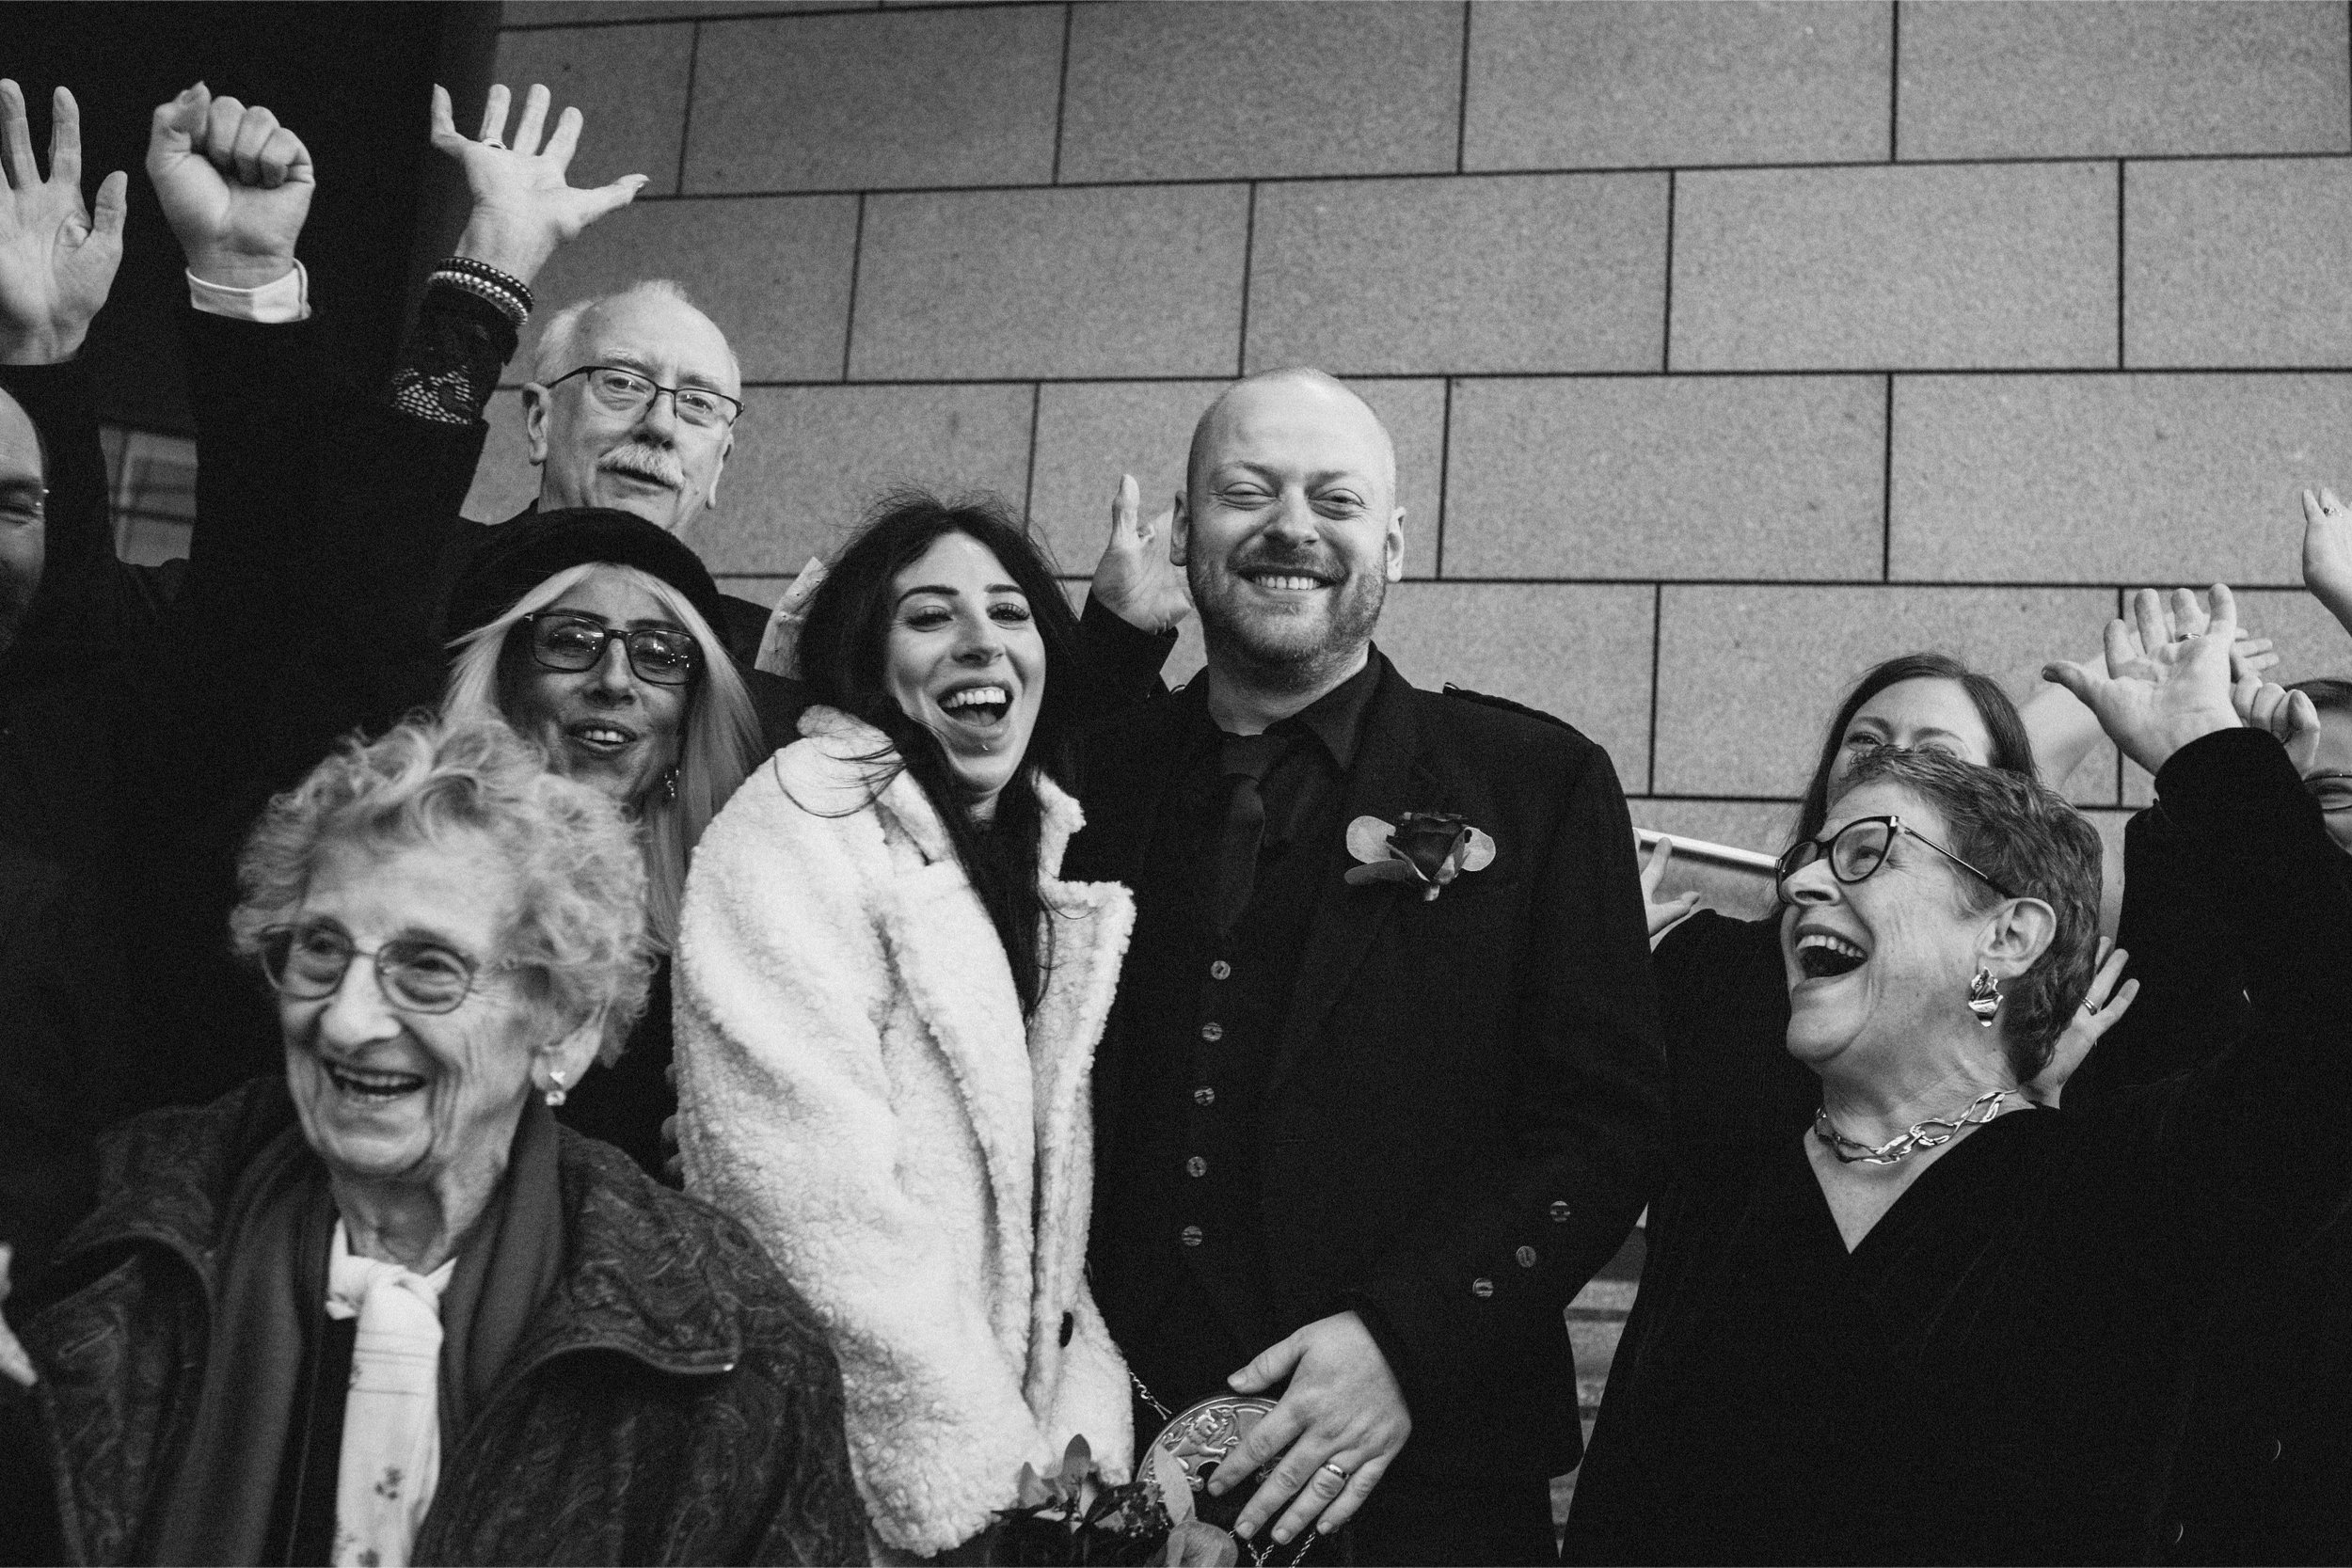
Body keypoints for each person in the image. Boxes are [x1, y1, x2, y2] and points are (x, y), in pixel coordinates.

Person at [1563, 585, 2352, 1563]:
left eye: (1865, 852)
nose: (1804, 877)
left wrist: (2203, 748)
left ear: (2009, 932)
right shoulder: (1727, 1176)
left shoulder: (2120, 1183)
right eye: (1810, 853)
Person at [0, 714, 869, 1565]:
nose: (345, 1020)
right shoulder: (97, 1229)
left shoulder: (727, 1349)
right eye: (319, 951)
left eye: (429, 968)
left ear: (561, 1023)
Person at [1066, 369, 1666, 1565]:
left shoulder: (1534, 784)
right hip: (1095, 1470)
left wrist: (1408, 1340)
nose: (1292, 526)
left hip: (1426, 1486)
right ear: (1186, 532)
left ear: (1392, 543)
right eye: (1247, 491)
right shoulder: (1084, 780)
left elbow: (1605, 1127)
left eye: (1335, 499)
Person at [675, 493, 1134, 1556]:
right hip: (872, 1490)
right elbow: (806, 1208)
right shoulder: (802, 822)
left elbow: (1034, 1237)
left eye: (1011, 612)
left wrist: (1077, 1444)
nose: (982, 639)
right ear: (868, 659)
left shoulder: (1015, 853)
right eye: (929, 615)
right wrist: (984, 1489)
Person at [1645, 652, 2141, 1148]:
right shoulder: (1707, 965)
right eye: (1865, 739)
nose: (1891, 758)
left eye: (1938, 753)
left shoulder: (2046, 1027)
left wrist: (2026, 1076)